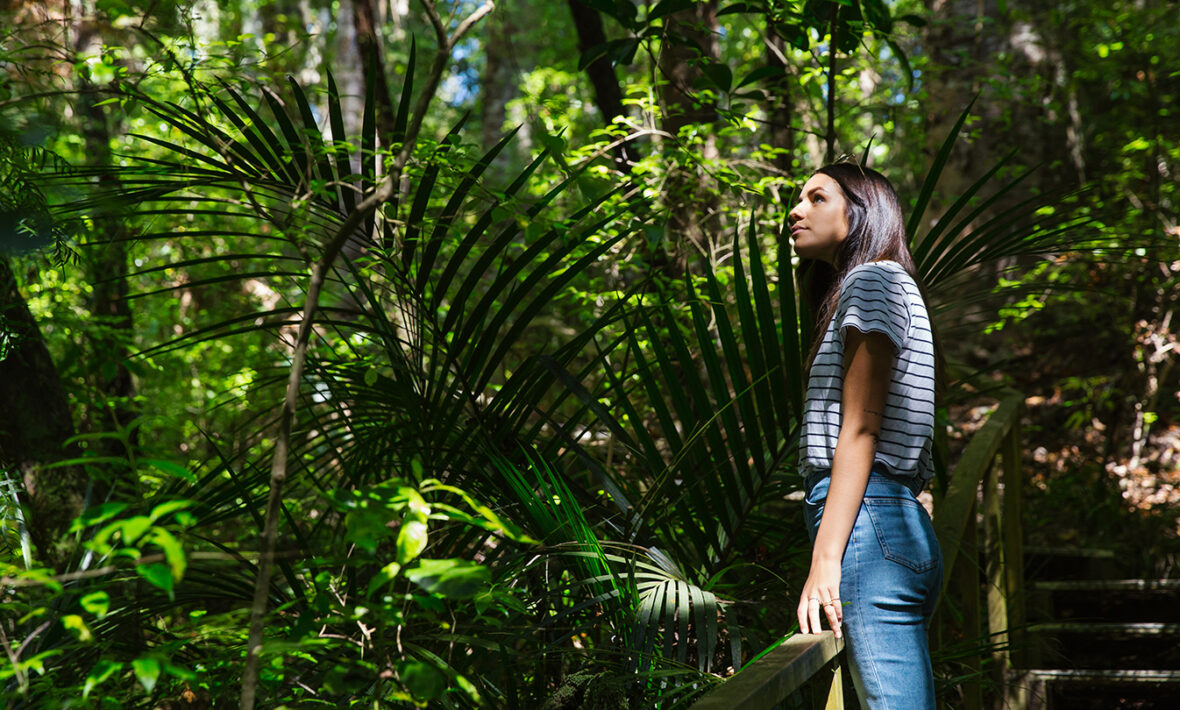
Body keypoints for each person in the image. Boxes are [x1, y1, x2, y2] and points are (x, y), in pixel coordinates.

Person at [789, 162, 943, 709]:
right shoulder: (885, 282)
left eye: (816, 198)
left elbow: (861, 427)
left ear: (859, 212)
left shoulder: (872, 280)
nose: (796, 211)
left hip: (866, 528)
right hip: (886, 522)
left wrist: (825, 559)